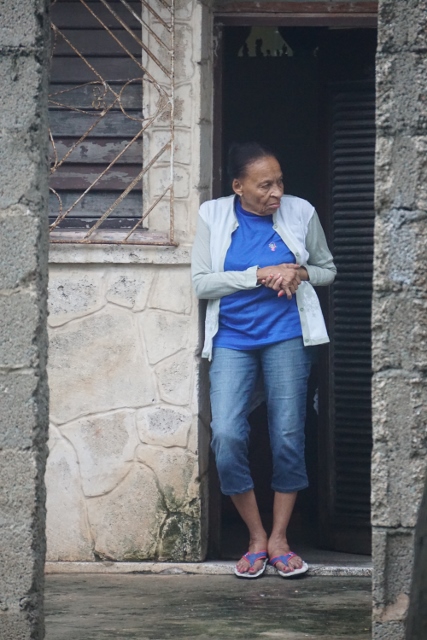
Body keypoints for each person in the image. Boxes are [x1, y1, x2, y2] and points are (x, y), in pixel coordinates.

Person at [191, 142, 336, 579]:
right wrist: (256, 274)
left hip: (287, 337)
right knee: (228, 435)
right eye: (265, 185)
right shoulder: (213, 216)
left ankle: (278, 539)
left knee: (288, 435)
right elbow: (202, 283)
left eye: (280, 182)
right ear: (238, 187)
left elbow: (327, 269)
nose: (276, 192)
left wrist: (298, 271)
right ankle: (254, 536)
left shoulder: (300, 212)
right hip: (233, 340)